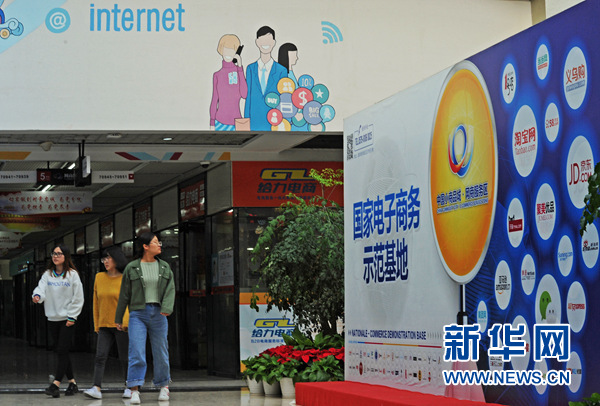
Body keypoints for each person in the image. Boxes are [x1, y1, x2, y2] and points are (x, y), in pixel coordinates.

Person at [115, 232, 176, 404]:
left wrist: (167, 308)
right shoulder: (132, 267)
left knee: (161, 351)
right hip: (137, 314)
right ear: (145, 246)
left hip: (159, 313)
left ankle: (164, 386)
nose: (159, 245)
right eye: (156, 242)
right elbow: (124, 294)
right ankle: (134, 389)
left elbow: (171, 289)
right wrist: (119, 318)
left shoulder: (164, 267)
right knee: (136, 352)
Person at [32, 245, 84, 398]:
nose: (55, 256)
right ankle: (72, 383)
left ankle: (55, 385)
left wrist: (72, 316)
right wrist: (37, 296)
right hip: (52, 318)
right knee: (62, 352)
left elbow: (78, 297)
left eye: (59, 254)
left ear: (65, 256)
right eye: (54, 253)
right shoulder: (47, 274)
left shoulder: (72, 275)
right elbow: (40, 288)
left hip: (67, 319)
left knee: (62, 350)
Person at [83, 246, 131, 400]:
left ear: (117, 259)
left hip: (121, 324)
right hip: (104, 324)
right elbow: (95, 302)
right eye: (103, 259)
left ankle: (129, 386)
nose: (105, 261)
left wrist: (125, 322)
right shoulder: (99, 277)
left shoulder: (125, 278)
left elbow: (130, 303)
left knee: (124, 357)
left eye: (108, 258)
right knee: (100, 356)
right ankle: (96, 387)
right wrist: (96, 324)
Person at [244, 25, 288, 131]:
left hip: (274, 121)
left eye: (268, 40)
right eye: (262, 40)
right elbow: (248, 97)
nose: (265, 44)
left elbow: (284, 98)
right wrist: (246, 120)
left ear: (274, 42)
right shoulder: (250, 68)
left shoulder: (281, 70)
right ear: (257, 42)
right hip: (254, 120)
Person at [210, 34, 248, 131]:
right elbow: (214, 99)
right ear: (221, 50)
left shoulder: (238, 72)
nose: (228, 53)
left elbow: (244, 94)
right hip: (219, 123)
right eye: (225, 49)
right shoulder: (217, 75)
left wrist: (240, 67)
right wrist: (212, 122)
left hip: (237, 123)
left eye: (232, 50)